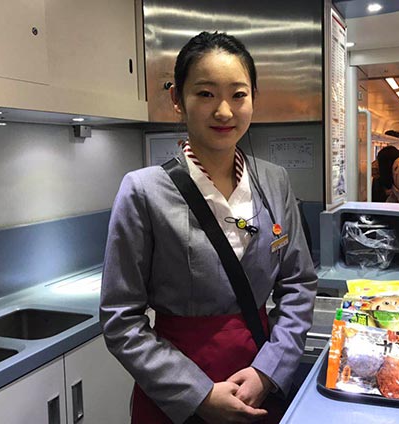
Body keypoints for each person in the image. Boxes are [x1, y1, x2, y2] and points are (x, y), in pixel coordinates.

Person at [100, 31, 317, 424]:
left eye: (238, 94)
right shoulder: (143, 191)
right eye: (205, 94)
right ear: (177, 99)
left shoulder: (275, 181)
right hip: (175, 395)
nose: (224, 111)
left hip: (259, 384)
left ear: (253, 98)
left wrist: (268, 371)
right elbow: (121, 318)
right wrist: (197, 393)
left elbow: (298, 283)